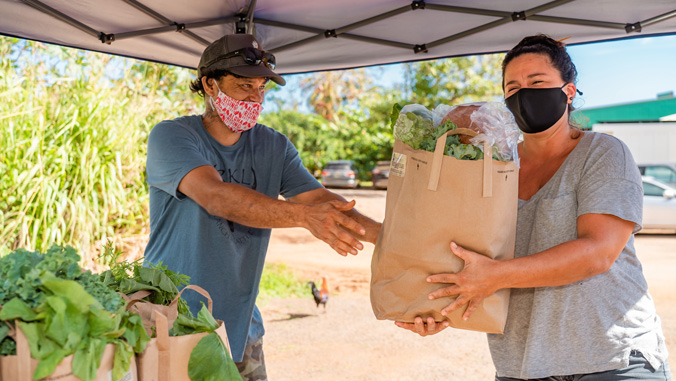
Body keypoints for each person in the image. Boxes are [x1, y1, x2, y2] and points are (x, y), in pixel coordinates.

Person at [395, 34, 671, 380]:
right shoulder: (491, 168)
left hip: (611, 360)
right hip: (521, 366)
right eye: (512, 87)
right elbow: (461, 255)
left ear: (569, 92)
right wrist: (436, 307)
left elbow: (597, 253)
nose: (523, 93)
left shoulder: (602, 153)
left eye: (536, 82)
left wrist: (492, 277)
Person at [143, 33, 381, 380]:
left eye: (261, 89)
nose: (256, 98)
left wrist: (390, 238)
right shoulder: (172, 137)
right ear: (210, 85)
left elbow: (321, 201)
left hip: (242, 329)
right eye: (243, 87)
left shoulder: (274, 145)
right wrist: (303, 218)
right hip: (174, 324)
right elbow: (216, 196)